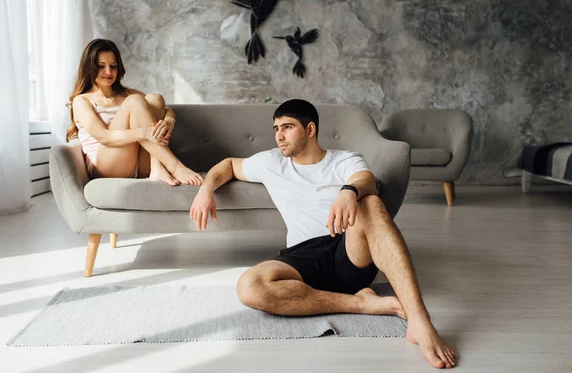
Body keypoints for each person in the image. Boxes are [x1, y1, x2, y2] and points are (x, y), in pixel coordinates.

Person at [190, 99, 456, 369]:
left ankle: (419, 319)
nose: (279, 135)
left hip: (347, 251)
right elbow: (229, 165)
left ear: (310, 129)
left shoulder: (344, 159)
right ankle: (361, 304)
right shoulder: (271, 162)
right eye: (276, 128)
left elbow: (365, 180)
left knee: (371, 203)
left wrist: (349, 191)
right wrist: (206, 190)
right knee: (249, 287)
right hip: (302, 256)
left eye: (287, 127)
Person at [66, 38, 203, 186]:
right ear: (89, 68)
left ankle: (157, 166)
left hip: (139, 163)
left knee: (155, 99)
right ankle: (174, 166)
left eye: (113, 66)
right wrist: (145, 132)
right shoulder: (82, 101)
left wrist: (169, 121)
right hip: (107, 166)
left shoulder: (126, 93)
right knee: (135, 101)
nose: (108, 72)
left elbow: (166, 109)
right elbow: (105, 137)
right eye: (101, 66)